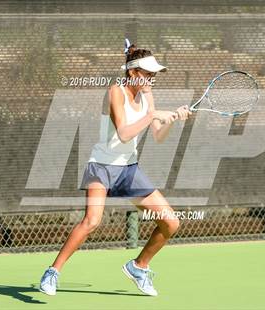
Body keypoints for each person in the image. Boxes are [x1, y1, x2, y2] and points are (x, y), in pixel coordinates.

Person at [39, 38, 191, 297]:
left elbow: (158, 135)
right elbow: (123, 132)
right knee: (92, 221)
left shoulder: (147, 95)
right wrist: (152, 115)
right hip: (102, 167)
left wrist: (173, 119)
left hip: (128, 170)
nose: (152, 78)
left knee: (171, 223)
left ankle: (139, 266)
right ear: (133, 72)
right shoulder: (115, 91)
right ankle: (53, 272)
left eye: (154, 74)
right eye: (148, 73)